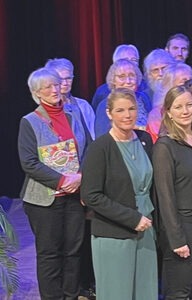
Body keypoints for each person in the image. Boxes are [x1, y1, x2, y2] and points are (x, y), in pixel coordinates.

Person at [19, 67, 91, 299]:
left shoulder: (73, 115)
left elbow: (89, 149)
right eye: (48, 87)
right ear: (37, 93)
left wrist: (80, 177)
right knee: (50, 253)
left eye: (56, 84)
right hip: (44, 200)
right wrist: (62, 180)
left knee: (73, 251)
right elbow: (29, 162)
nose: (54, 90)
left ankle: (70, 295)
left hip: (74, 196)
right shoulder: (29, 121)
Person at [79, 88, 155, 300]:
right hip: (114, 233)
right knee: (117, 294)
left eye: (132, 109)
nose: (127, 115)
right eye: (120, 110)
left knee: (145, 291)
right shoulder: (100, 148)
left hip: (147, 231)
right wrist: (132, 219)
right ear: (109, 113)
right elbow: (91, 195)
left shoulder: (145, 140)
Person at [151, 85, 192, 299]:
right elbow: (165, 197)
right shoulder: (165, 146)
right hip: (183, 223)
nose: (186, 111)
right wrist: (176, 238)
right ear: (168, 111)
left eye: (189, 105)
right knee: (180, 289)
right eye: (178, 107)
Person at [94, 59, 150, 137]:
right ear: (113, 81)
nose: (128, 81)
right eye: (121, 77)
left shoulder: (143, 98)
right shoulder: (105, 104)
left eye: (132, 76)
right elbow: (102, 136)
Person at [44, 58, 96, 137]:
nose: (65, 83)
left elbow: (94, 135)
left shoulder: (83, 105)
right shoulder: (45, 110)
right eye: (60, 79)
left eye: (68, 78)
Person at [90, 44, 145, 110]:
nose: (130, 63)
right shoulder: (102, 93)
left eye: (134, 60)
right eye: (125, 60)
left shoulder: (145, 91)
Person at [148, 63, 192, 136]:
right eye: (184, 82)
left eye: (191, 81)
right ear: (170, 86)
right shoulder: (157, 114)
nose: (190, 86)